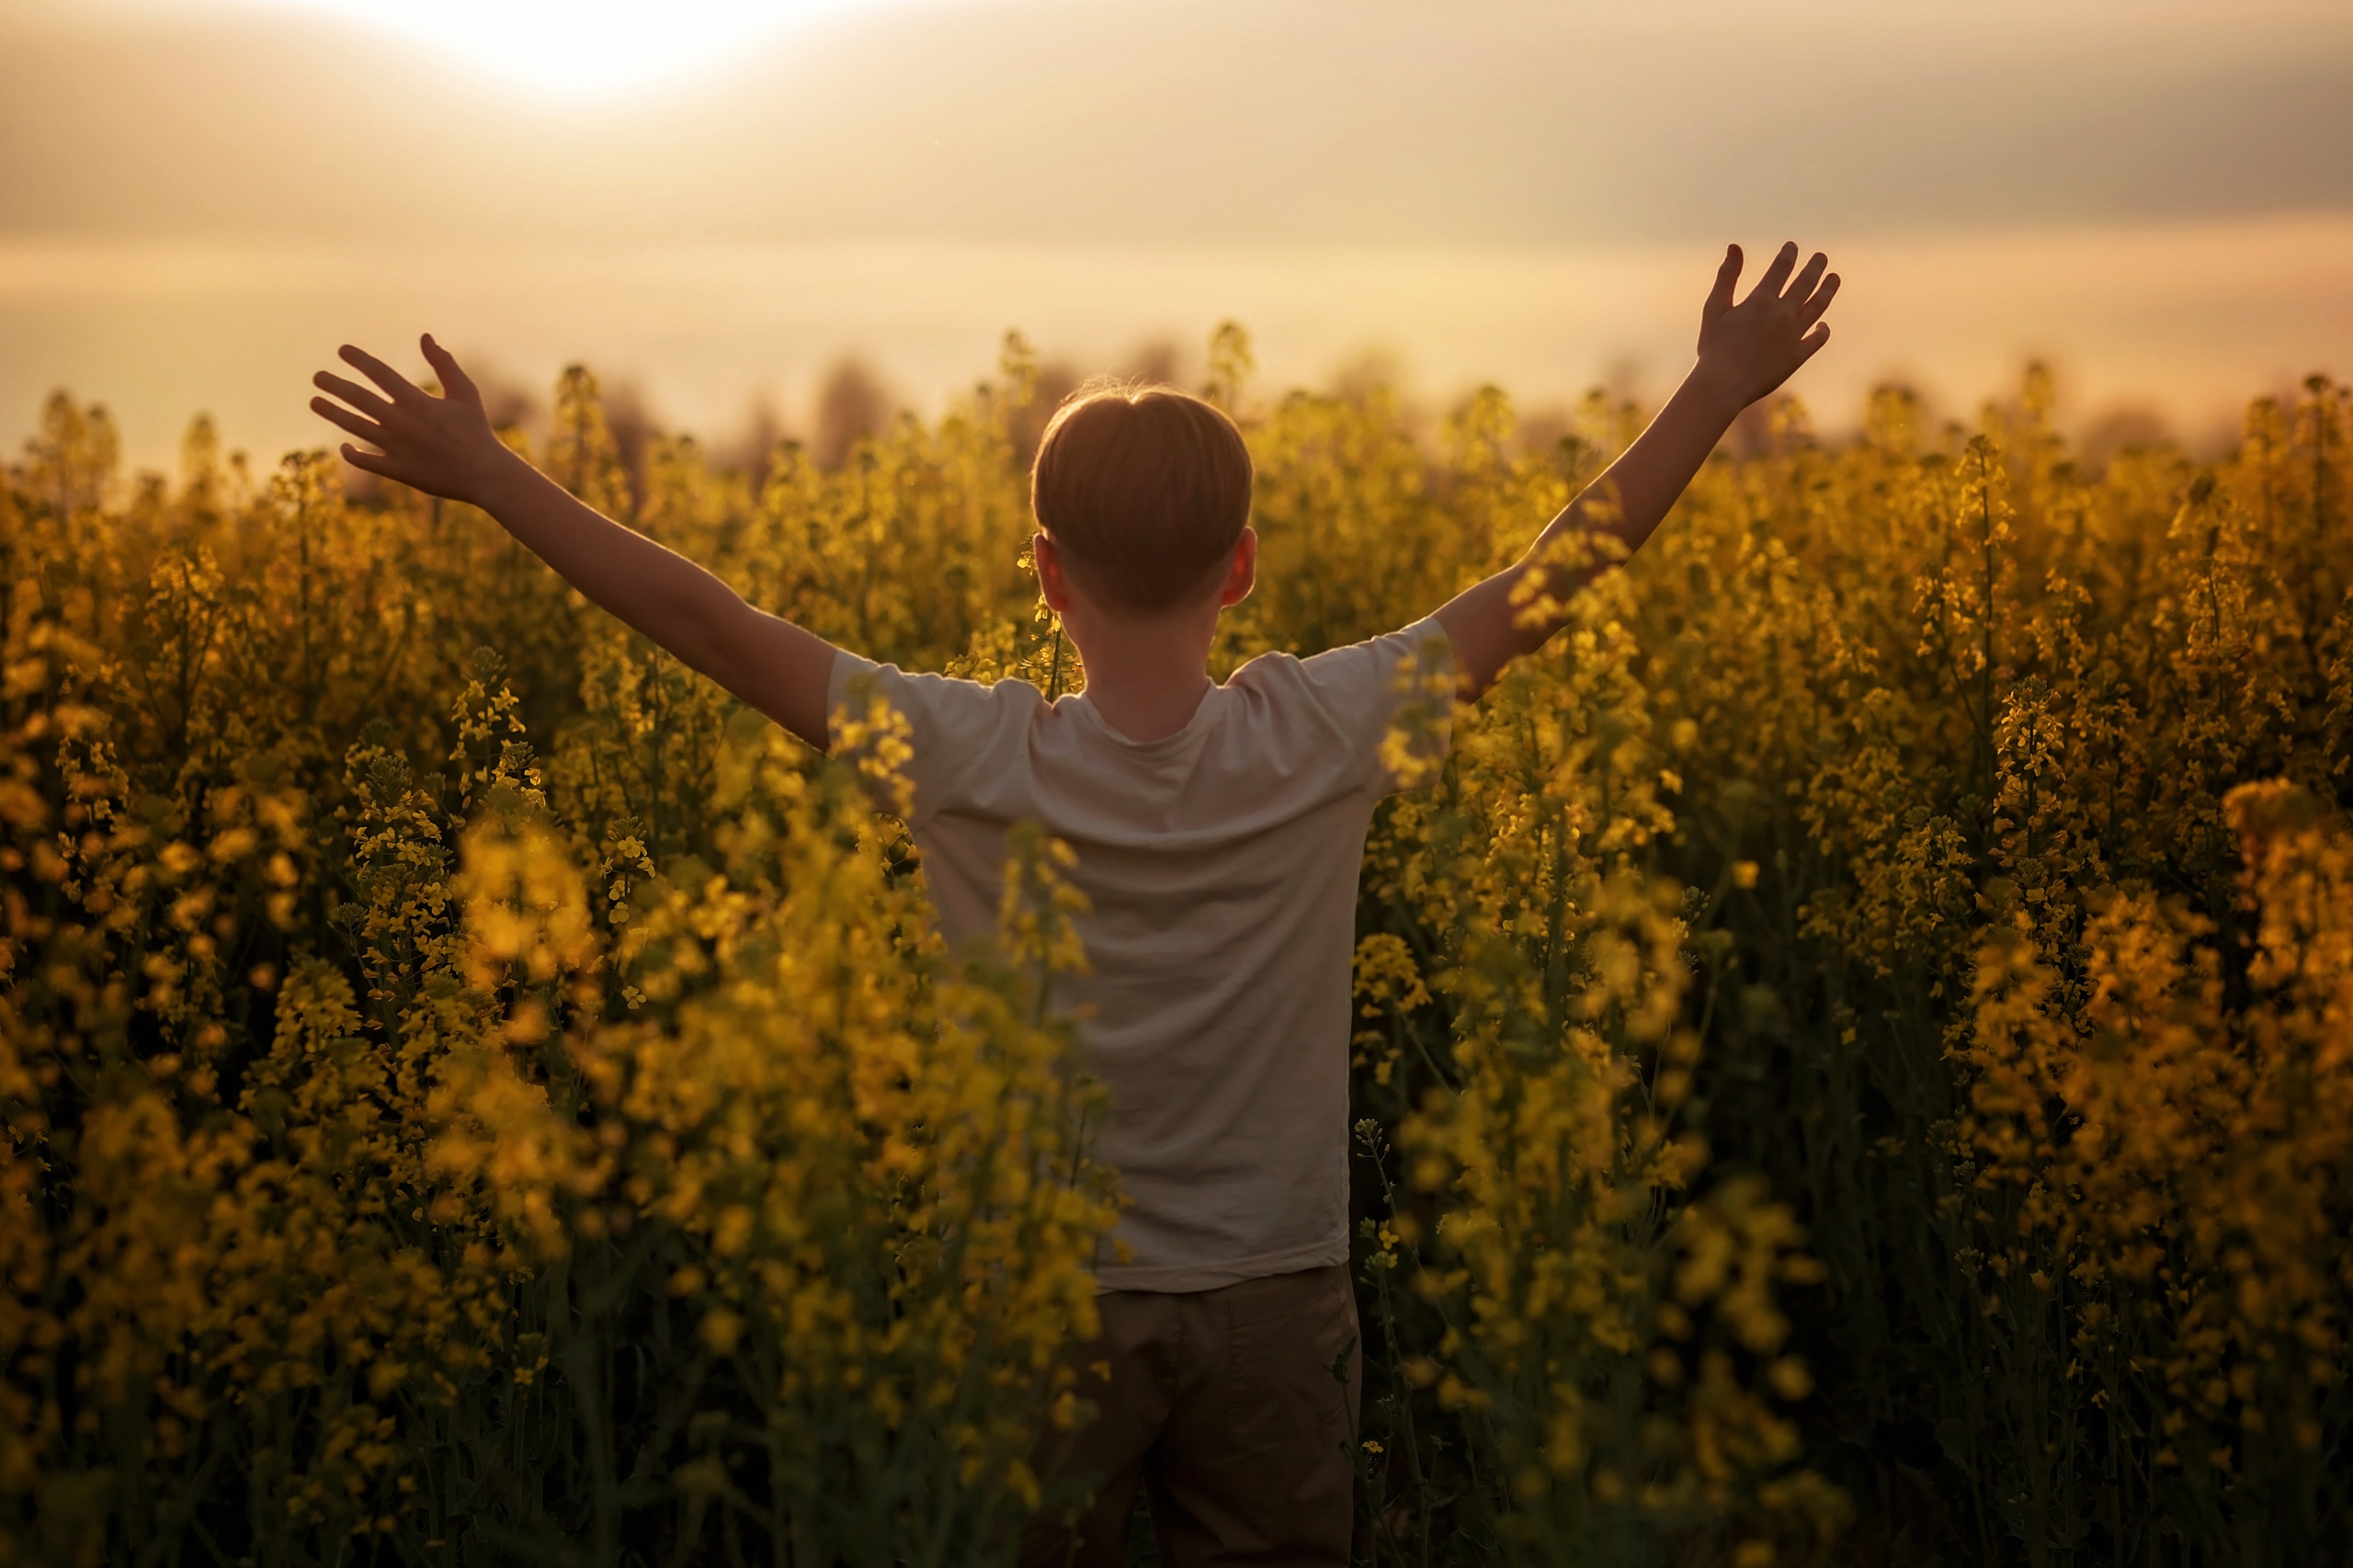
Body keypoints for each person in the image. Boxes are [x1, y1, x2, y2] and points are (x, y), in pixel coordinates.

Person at [309, 239, 1838, 1565]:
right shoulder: (1328, 732)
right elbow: (1558, 572)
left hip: (1034, 1306)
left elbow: (704, 617)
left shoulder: (972, 756)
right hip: (1272, 1296)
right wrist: (1713, 388)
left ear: (1045, 574)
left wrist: (494, 473)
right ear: (1241, 564)